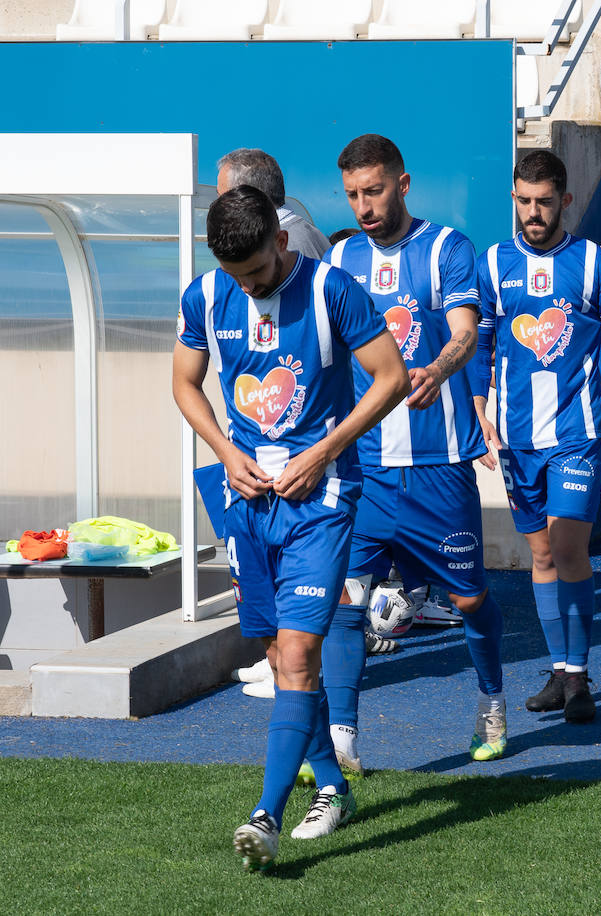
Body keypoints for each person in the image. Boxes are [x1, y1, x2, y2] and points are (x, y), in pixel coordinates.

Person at [172, 186, 408, 867]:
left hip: (322, 497)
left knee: (299, 657)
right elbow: (186, 382)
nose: (246, 287)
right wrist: (223, 449)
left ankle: (265, 817)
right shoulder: (206, 297)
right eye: (234, 276)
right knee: (279, 657)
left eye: (257, 273)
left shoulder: (334, 290)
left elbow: (390, 377)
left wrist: (323, 451)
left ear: (280, 241)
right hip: (247, 499)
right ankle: (334, 788)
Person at [318, 134, 507, 776]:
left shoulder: (448, 248)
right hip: (365, 469)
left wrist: (437, 368)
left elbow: (465, 334)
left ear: (403, 183)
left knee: (472, 600)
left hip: (437, 467)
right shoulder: (341, 258)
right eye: (352, 195)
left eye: (373, 190)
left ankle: (491, 699)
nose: (364, 205)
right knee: (346, 598)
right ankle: (342, 738)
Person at [473, 150, 601, 724]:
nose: (534, 212)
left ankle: (580, 678)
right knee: (540, 553)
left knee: (568, 546)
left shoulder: (595, 262)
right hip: (519, 440)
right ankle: (563, 670)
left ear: (565, 201)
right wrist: (480, 410)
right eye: (524, 201)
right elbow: (483, 343)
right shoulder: (493, 263)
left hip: (579, 433)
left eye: (544, 202)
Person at [216, 148, 331, 258]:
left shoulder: (279, 248)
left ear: (247, 198)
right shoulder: (310, 233)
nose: (219, 206)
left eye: (222, 198)